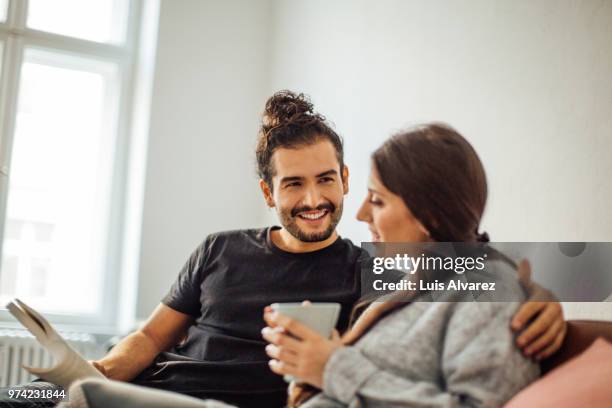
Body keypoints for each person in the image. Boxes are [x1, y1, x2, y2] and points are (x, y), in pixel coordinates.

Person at [0, 93, 564, 408]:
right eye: (294, 185)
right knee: (21, 402)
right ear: (268, 192)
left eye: (328, 180)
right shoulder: (217, 250)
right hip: (152, 391)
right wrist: (92, 369)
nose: (315, 200)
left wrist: (540, 295)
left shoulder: (372, 265)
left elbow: (470, 252)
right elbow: (150, 338)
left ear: (344, 178)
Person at [261, 123, 542, 407]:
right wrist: (316, 360)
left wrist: (332, 367)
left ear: (429, 215)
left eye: (377, 201)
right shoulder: (411, 289)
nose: (360, 214)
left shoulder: (483, 291)